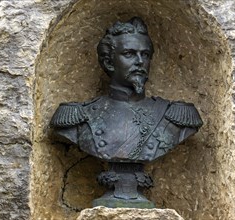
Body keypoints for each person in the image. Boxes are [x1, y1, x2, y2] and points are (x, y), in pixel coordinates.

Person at [50, 17, 203, 163]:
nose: (140, 61)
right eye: (129, 54)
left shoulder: (174, 117)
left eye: (145, 54)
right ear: (109, 62)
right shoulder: (81, 117)